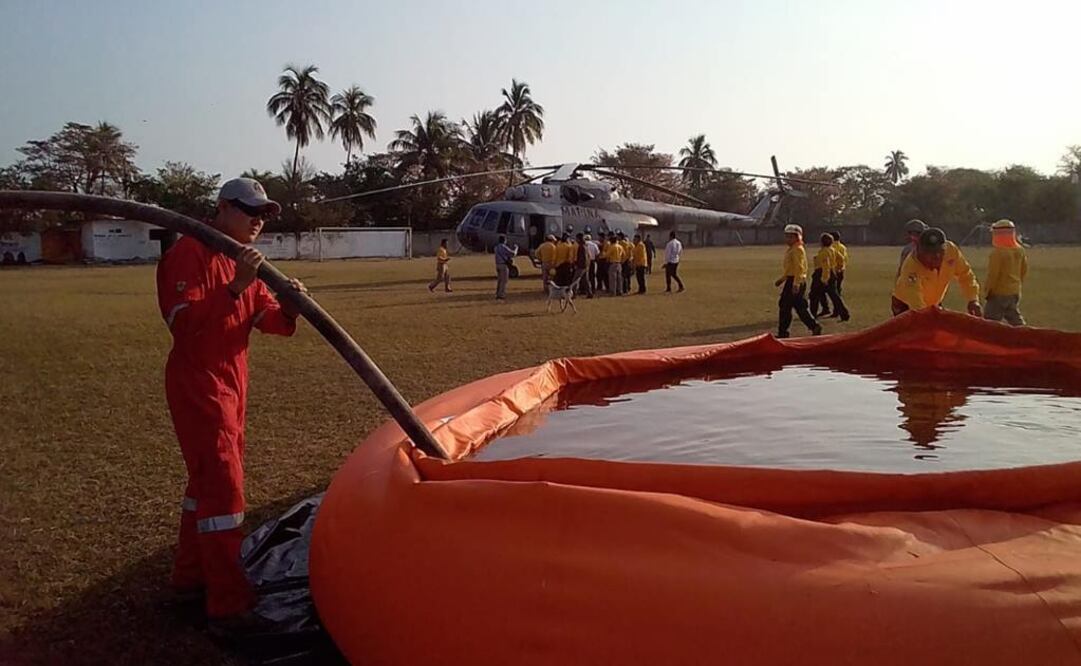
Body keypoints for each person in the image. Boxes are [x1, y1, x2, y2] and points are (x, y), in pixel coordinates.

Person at [157, 177, 307, 632]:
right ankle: (227, 604)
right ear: (222, 209)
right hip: (199, 383)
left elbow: (271, 323)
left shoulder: (243, 263)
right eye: (249, 210)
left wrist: (290, 308)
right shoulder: (189, 253)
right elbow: (184, 326)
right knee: (223, 489)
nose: (257, 221)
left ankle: (189, 580)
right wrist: (236, 287)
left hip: (232, 382)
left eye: (263, 214)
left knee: (206, 485)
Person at [892, 227, 981, 317]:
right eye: (931, 253)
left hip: (933, 303)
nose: (937, 257)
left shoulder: (951, 251)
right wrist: (925, 316)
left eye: (940, 251)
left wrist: (973, 299)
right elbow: (914, 299)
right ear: (920, 251)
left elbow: (965, 275)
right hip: (905, 304)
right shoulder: (911, 267)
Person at [775, 224, 822, 338]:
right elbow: (790, 268)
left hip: (796, 281)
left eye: (791, 237)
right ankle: (814, 326)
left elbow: (799, 268)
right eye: (787, 236)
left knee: (785, 306)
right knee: (800, 307)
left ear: (798, 237)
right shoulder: (793, 249)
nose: (788, 239)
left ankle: (783, 333)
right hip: (793, 280)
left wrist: (795, 283)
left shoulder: (798, 250)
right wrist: (782, 279)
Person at [983, 219, 1028, 326]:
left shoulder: (998, 253)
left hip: (999, 293)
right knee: (1015, 320)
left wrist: (987, 291)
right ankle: (1026, 336)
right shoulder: (1020, 250)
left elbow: (993, 275)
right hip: (1014, 292)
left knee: (989, 323)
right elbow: (1023, 270)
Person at [809, 234, 834, 318]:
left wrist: (824, 278)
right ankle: (826, 309)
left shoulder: (824, 252)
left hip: (821, 273)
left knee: (814, 294)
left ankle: (813, 313)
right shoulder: (831, 250)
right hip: (828, 272)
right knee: (826, 294)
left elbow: (825, 265)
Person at [494, 235, 517, 300]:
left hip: (498, 264)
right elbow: (513, 254)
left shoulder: (496, 248)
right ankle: (501, 295)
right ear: (504, 240)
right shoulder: (503, 247)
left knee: (499, 280)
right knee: (504, 280)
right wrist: (516, 248)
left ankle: (498, 293)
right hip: (503, 265)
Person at [574, 232, 593, 298]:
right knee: (586, 281)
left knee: (575, 280)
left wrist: (578, 265)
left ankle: (573, 294)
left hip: (581, 266)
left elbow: (583, 257)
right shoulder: (585, 246)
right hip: (586, 266)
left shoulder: (581, 247)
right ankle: (589, 293)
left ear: (579, 239)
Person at [829, 231, 847, 295]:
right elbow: (845, 258)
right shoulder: (843, 247)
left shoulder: (830, 247)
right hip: (841, 268)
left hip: (832, 268)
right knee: (838, 284)